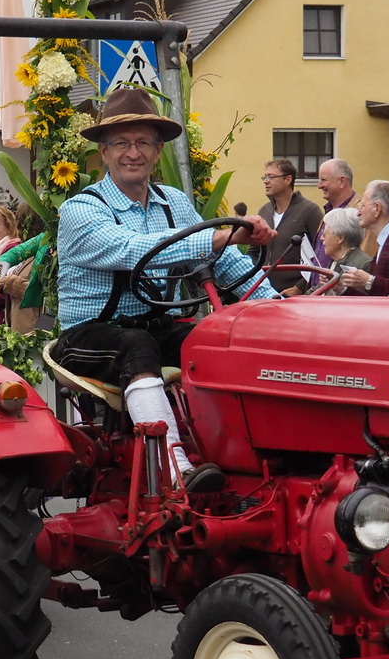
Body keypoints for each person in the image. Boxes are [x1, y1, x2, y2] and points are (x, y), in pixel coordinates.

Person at [52, 88, 274, 491]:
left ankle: (241, 456)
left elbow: (227, 267)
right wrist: (223, 237)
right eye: (121, 143)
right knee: (137, 344)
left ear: (158, 152)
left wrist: (275, 310)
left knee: (218, 339)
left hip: (154, 327)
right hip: (88, 334)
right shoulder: (81, 210)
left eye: (143, 143)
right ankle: (176, 467)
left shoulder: (173, 202)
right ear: (103, 152)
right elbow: (134, 250)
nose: (132, 153)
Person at [255, 159, 322, 294]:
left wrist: (300, 288)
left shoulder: (310, 210)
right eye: (265, 177)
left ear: (288, 179)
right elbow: (254, 251)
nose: (266, 181)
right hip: (264, 293)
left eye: (271, 177)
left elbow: (322, 255)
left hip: (297, 296)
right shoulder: (264, 211)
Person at [313, 158, 361, 256]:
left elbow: (364, 257)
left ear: (342, 181)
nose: (319, 185)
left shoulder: (359, 214)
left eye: (323, 180)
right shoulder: (329, 210)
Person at [317, 207, 370, 292]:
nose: (321, 238)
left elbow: (362, 299)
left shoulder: (363, 264)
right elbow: (316, 291)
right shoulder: (335, 262)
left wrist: (341, 290)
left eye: (324, 233)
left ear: (340, 238)